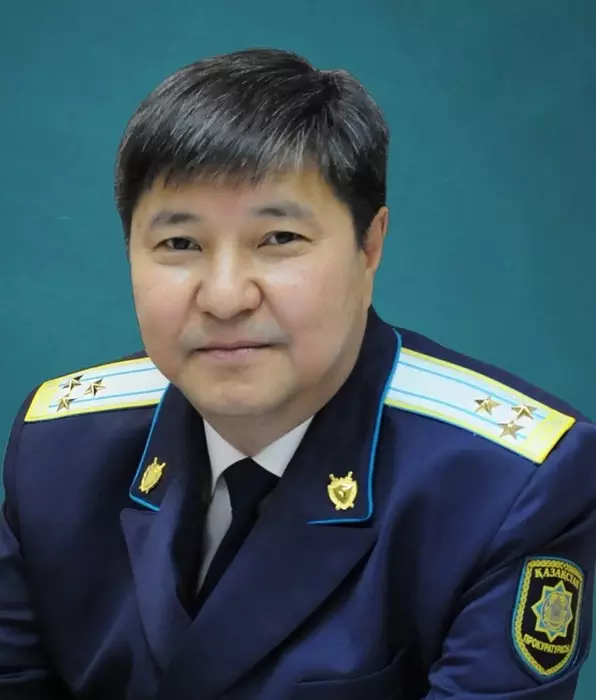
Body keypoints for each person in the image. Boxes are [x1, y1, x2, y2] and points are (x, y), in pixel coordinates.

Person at [1, 47, 595, 700]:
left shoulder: (508, 484)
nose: (225, 298)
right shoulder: (58, 450)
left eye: (279, 239)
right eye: (179, 244)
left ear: (370, 245)